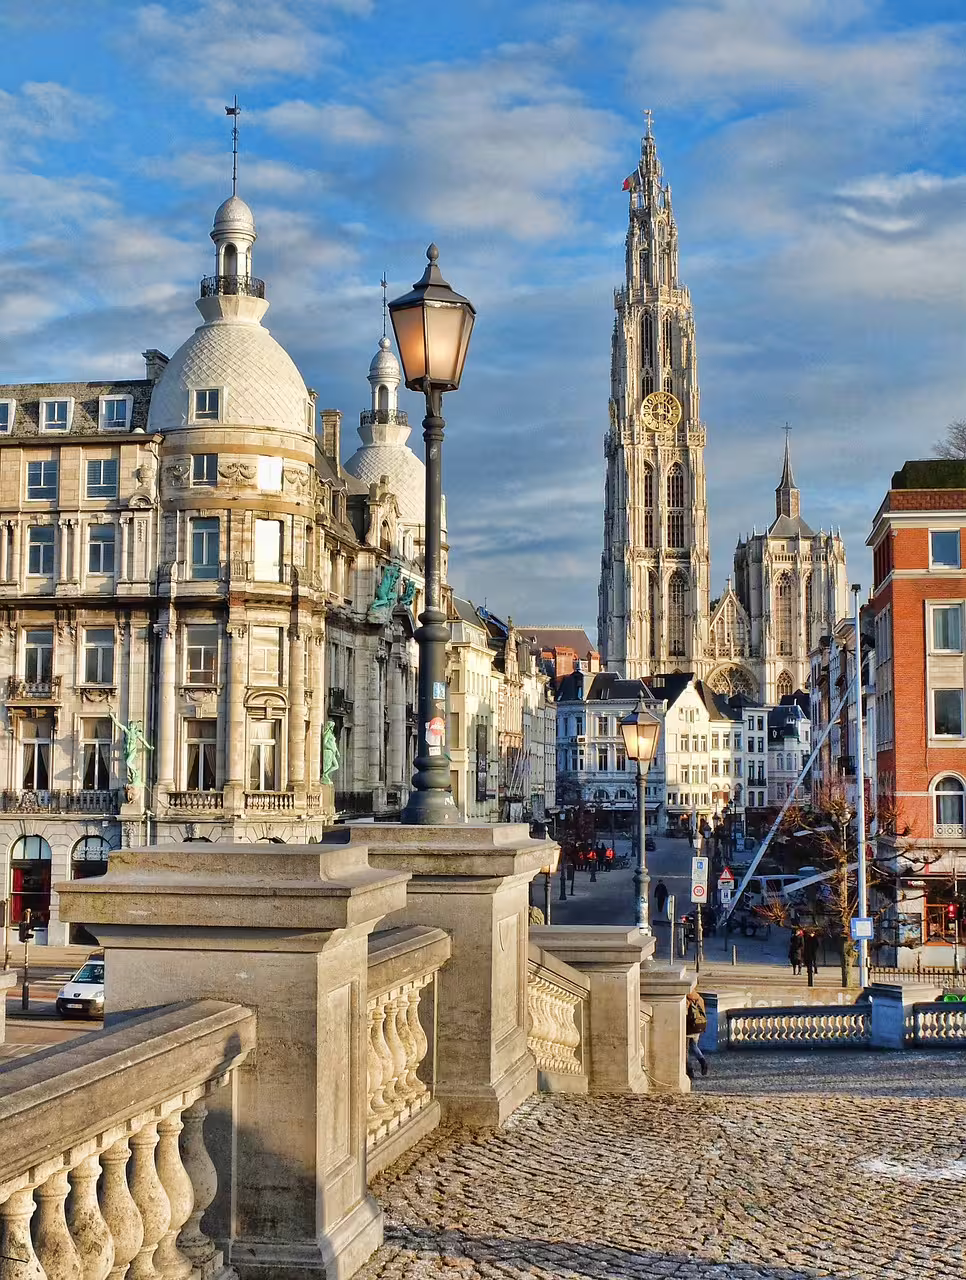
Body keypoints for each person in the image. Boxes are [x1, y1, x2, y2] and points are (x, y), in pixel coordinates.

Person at [685, 989, 709, 1078]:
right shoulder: (699, 998)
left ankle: (689, 1070)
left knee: (685, 1050)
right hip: (698, 1026)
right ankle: (703, 1062)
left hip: (688, 1028)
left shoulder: (686, 1000)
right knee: (694, 1046)